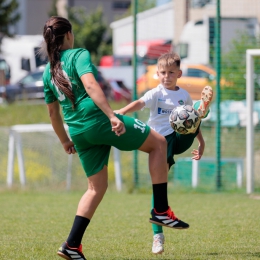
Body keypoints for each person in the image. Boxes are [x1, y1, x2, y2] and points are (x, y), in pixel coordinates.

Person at [42, 17, 189, 260]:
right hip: (97, 119)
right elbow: (90, 85)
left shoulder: (48, 71)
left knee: (95, 188)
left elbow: (52, 113)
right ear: (68, 34)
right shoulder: (78, 54)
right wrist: (111, 115)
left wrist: (65, 141)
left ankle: (72, 245)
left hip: (77, 131)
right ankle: (161, 210)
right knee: (159, 144)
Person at [114, 52, 213, 255]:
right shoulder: (156, 93)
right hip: (159, 143)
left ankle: (201, 108)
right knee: (159, 189)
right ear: (157, 74)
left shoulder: (183, 95)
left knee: (193, 115)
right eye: (162, 73)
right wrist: (121, 112)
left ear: (179, 74)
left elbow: (191, 124)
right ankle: (157, 236)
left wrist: (201, 143)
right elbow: (140, 103)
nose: (166, 76)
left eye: (170, 73)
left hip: (179, 138)